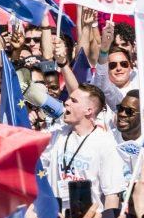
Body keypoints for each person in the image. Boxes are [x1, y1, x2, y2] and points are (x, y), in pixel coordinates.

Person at [40, 83, 127, 211]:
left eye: (73, 100)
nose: (66, 102)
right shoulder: (56, 134)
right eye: (69, 98)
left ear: (88, 111)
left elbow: (112, 194)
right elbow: (37, 168)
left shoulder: (105, 143)